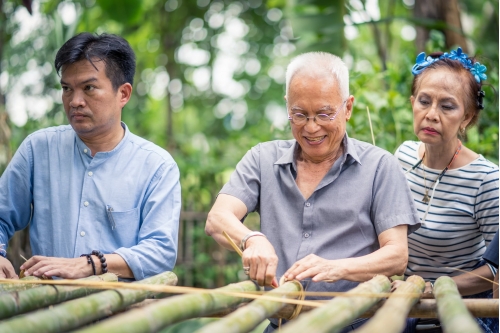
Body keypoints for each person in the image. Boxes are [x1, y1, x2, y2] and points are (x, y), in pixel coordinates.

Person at [205, 52, 421, 332]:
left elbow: (396, 256)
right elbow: (217, 218)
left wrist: (337, 268)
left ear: (348, 108)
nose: (311, 127)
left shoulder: (380, 167)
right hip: (284, 323)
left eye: (324, 114)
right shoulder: (262, 159)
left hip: (361, 324)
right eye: (299, 114)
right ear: (287, 107)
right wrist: (252, 239)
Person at [0, 33, 181, 281]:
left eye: (89, 88)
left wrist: (89, 265)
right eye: (66, 89)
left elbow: (160, 252)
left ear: (123, 94)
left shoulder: (156, 167)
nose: (75, 101)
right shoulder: (38, 150)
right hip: (44, 311)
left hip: (123, 313)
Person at [394, 47, 498, 332]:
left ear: (466, 117)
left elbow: (496, 271)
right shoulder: (401, 158)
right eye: (424, 101)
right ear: (412, 103)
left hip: (462, 311)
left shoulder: (485, 180)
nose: (431, 114)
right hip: (404, 308)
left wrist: (435, 288)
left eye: (447, 106)